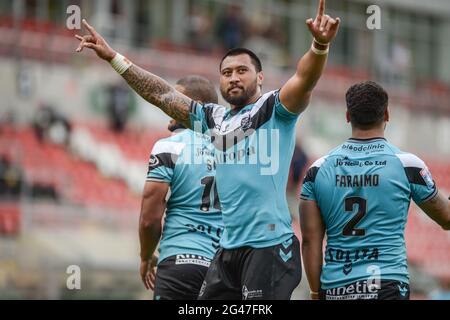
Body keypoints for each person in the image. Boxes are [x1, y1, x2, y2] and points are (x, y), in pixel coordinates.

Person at [75, 0, 340, 299]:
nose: (234, 78)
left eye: (242, 70)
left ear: (260, 77)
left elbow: (305, 79)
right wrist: (114, 58)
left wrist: (319, 45)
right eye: (226, 73)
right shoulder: (213, 119)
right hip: (227, 250)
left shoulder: (276, 109)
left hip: (268, 246)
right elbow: (161, 94)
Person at [299, 81, 450, 300]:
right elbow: (446, 218)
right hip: (387, 284)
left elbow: (310, 239)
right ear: (387, 114)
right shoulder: (408, 164)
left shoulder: (318, 169)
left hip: (336, 288)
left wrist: (315, 292)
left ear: (347, 116)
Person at [139, 75, 223, 300]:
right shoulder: (235, 151)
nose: (168, 104)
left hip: (180, 263)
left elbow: (149, 220)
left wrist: (146, 256)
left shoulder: (169, 147)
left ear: (195, 107)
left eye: (174, 98)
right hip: (224, 272)